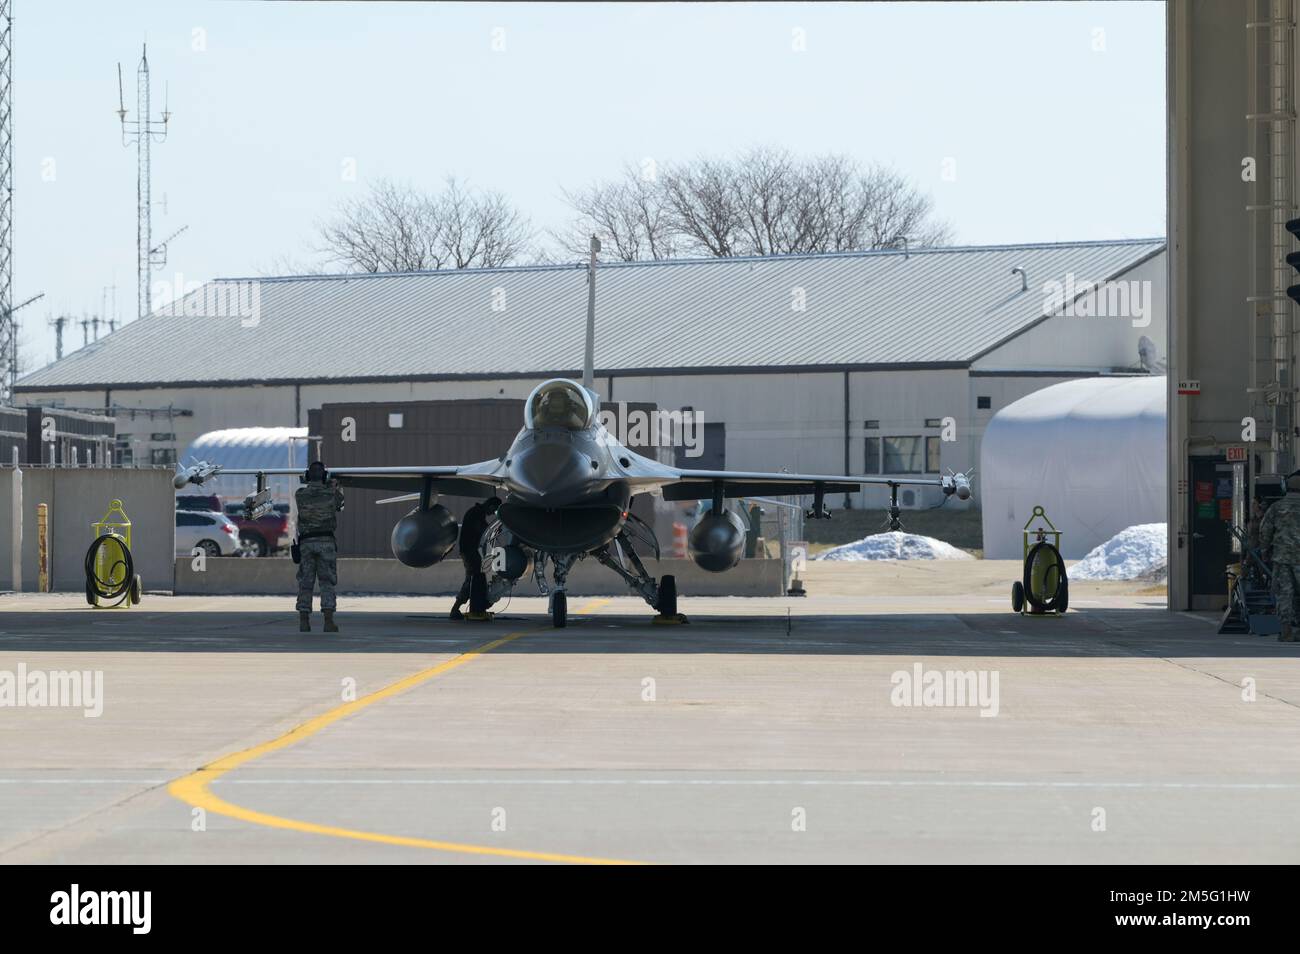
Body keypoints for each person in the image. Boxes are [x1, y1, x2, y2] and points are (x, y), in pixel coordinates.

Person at [295, 460, 345, 633]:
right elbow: (340, 505)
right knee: (327, 582)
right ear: (324, 476)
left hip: (307, 543)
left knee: (305, 582)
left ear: (308, 476)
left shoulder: (300, 494)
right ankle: (328, 621)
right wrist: (334, 485)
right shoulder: (332, 494)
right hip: (326, 542)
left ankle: (304, 621)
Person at [1259, 470, 1300, 642]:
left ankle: (1286, 631)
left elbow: (1265, 531)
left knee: (1285, 593)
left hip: (1282, 558)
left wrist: (1264, 551)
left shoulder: (1276, 507)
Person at [450, 496, 501, 620]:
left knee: (476, 577)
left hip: (470, 551)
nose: (492, 513)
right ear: (491, 506)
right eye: (494, 511)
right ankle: (458, 608)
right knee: (473, 577)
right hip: (469, 551)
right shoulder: (476, 514)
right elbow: (482, 530)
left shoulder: (476, 512)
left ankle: (476, 607)